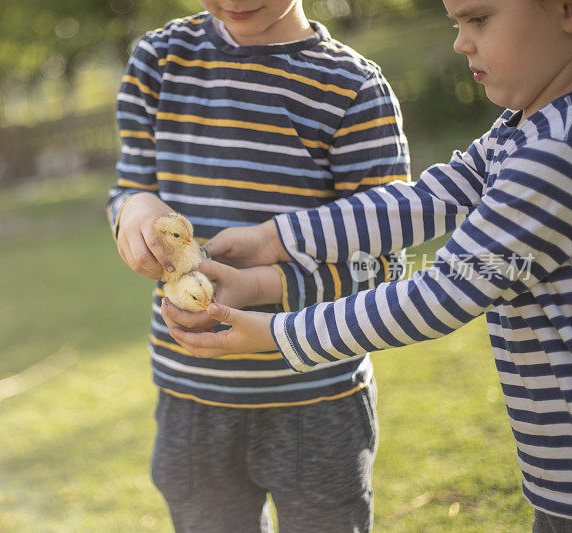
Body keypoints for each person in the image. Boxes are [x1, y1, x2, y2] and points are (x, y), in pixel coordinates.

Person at [167, 0, 572, 529]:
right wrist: (272, 239)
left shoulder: (554, 153)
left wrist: (277, 332)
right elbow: (422, 200)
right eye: (457, 23)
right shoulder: (522, 129)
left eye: (479, 19)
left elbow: (442, 294)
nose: (461, 42)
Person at [107, 0, 410, 530]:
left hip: (316, 396)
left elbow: (384, 265)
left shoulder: (352, 86)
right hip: (191, 397)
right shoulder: (157, 60)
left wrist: (258, 285)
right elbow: (130, 185)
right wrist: (134, 209)